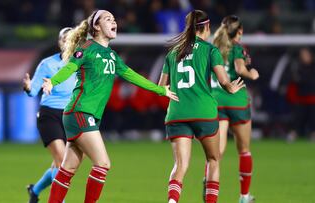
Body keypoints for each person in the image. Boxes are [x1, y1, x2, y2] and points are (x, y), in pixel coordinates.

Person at [41, 10, 178, 203]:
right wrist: (52, 82)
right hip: (80, 112)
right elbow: (70, 67)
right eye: (108, 19)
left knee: (68, 169)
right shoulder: (87, 48)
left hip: (82, 115)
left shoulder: (112, 56)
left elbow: (132, 76)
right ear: (96, 27)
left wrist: (160, 90)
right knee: (103, 164)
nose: (114, 21)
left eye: (114, 19)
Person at [158, 10, 244, 203]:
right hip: (203, 113)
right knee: (213, 160)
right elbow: (223, 81)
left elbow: (161, 87)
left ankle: (172, 201)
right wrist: (231, 87)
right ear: (206, 27)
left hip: (177, 114)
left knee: (180, 165)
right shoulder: (210, 50)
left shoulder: (173, 52)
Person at [22, 27, 74, 203]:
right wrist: (29, 88)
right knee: (62, 161)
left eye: (71, 39)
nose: (67, 42)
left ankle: (35, 191)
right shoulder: (47, 64)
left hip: (70, 116)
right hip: (49, 115)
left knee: (57, 164)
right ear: (59, 43)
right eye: (64, 39)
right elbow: (33, 90)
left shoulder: (81, 64)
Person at [211, 15, 259, 203]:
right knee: (244, 149)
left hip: (216, 101)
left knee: (216, 153)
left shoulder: (213, 48)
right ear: (238, 32)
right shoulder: (237, 48)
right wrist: (252, 74)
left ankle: (209, 182)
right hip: (236, 101)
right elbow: (239, 69)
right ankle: (244, 196)